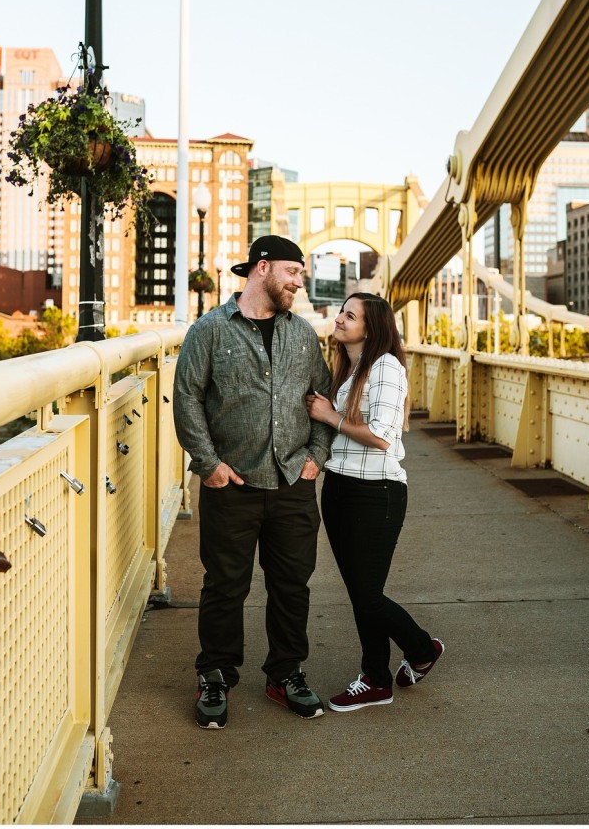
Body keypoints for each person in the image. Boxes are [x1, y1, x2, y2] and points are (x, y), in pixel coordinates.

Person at [173, 235, 334, 729]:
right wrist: (209, 464)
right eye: (293, 272)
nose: (299, 281)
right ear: (262, 269)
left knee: (292, 586)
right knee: (225, 586)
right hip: (232, 485)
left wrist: (316, 457)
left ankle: (285, 674)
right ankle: (216, 675)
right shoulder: (210, 331)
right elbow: (186, 398)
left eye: (301, 274)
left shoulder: (303, 335)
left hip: (293, 483)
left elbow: (323, 396)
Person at [305, 292, 444, 712]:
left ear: (372, 326)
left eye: (351, 315)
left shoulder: (385, 367)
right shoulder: (350, 368)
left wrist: (328, 415)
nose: (340, 319)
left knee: (366, 595)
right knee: (361, 590)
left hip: (375, 492)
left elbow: (382, 436)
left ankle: (420, 649)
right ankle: (377, 678)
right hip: (341, 487)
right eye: (341, 313)